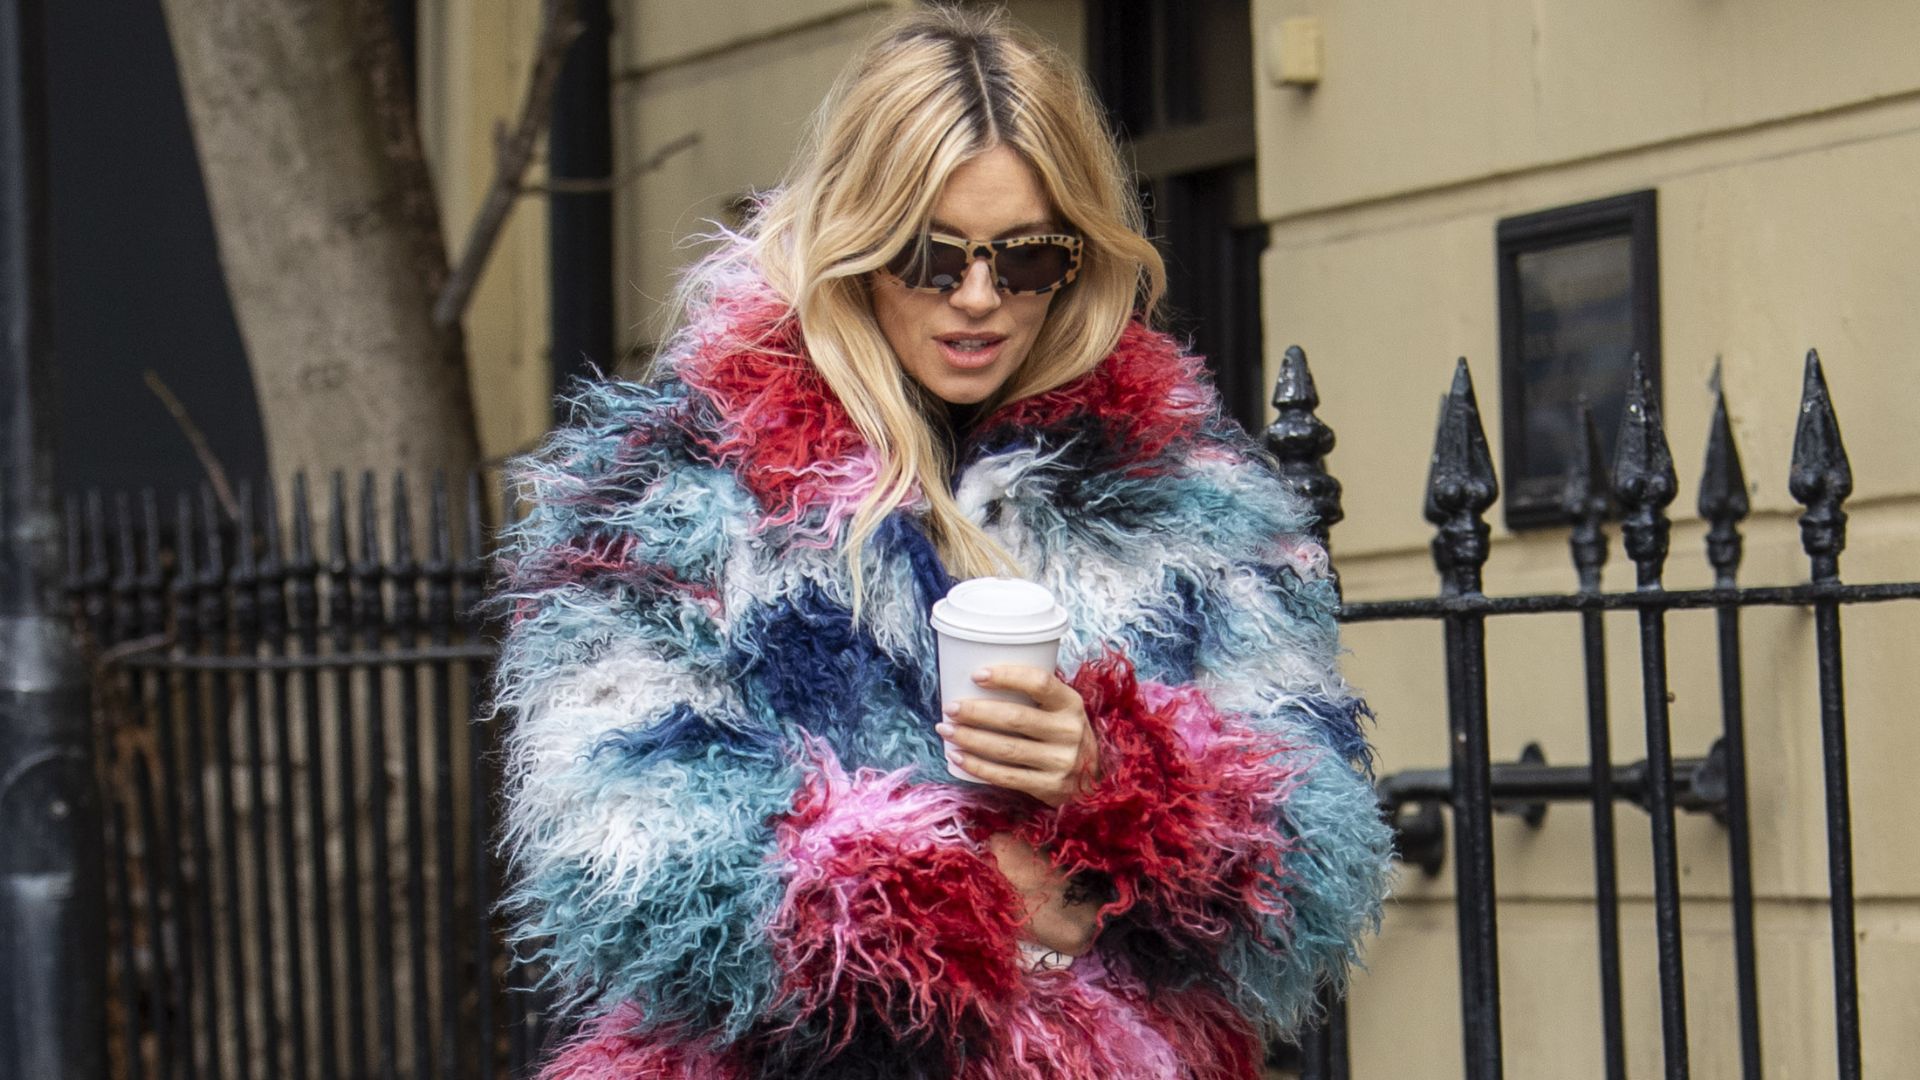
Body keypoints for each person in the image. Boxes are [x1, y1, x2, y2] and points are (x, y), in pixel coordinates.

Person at [487, 7, 1391, 1078]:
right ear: (859, 247)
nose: (979, 297)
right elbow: (615, 840)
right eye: (931, 255)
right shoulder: (680, 483)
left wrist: (1120, 787)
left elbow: (1320, 847)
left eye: (1027, 258)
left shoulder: (1185, 491)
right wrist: (950, 895)